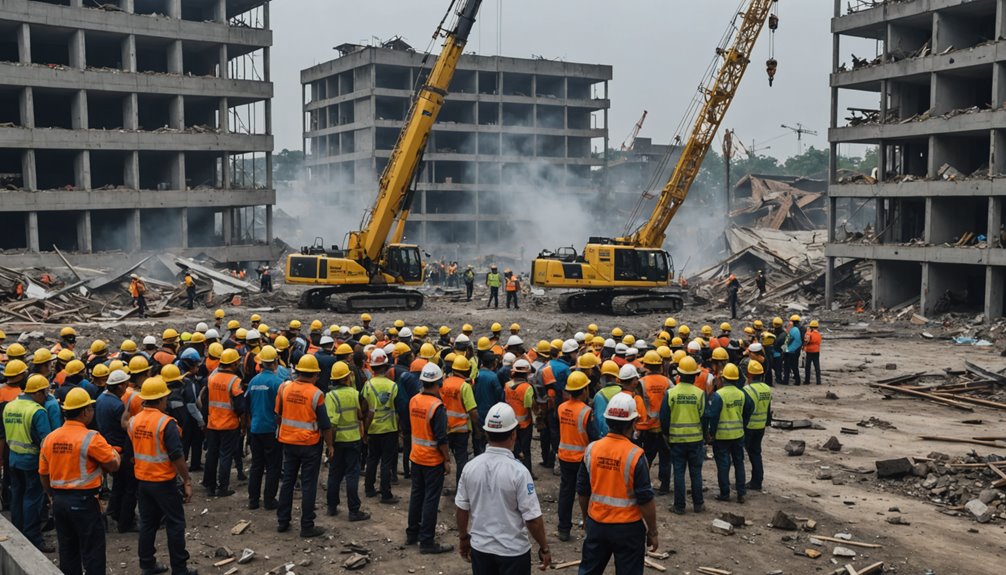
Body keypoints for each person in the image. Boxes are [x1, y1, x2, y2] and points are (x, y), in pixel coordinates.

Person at [456, 402, 551, 574]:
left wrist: (464, 538)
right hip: (513, 553)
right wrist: (544, 547)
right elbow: (533, 519)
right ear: (513, 434)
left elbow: (462, 508)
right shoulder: (519, 472)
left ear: (486, 433)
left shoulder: (470, 467)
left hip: (481, 550)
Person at [39, 387, 120, 575]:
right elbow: (114, 464)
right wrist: (115, 453)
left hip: (59, 501)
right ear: (85, 412)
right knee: (93, 552)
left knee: (68, 551)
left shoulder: (50, 438)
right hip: (84, 502)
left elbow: (43, 474)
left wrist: (52, 496)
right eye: (91, 409)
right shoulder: (91, 438)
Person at [576, 394, 659, 575]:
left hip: (597, 523)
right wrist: (652, 531)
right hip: (628, 528)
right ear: (634, 421)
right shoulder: (635, 454)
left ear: (607, 420)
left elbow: (582, 490)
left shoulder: (592, 449)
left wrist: (586, 518)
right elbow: (645, 499)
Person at [128, 377, 196, 575]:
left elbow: (132, 451)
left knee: (148, 524)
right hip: (163, 482)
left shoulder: (134, 421)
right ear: (159, 400)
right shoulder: (166, 423)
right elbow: (177, 456)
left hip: (143, 481)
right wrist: (187, 480)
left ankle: (147, 564)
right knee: (175, 524)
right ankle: (179, 568)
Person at [275, 355, 333, 538]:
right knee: (308, 485)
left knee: (287, 483)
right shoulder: (316, 394)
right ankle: (307, 525)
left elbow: (278, 414)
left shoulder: (284, 388)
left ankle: (283, 521)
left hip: (288, 442)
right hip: (309, 445)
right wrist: (330, 446)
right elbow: (325, 425)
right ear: (314, 374)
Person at [0, 374, 54, 551]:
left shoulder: (10, 406)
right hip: (31, 460)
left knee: (17, 495)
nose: (46, 396)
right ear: (37, 392)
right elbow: (45, 442)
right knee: (32, 498)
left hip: (13, 459)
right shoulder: (37, 411)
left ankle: (18, 531)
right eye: (45, 392)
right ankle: (33, 538)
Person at [406, 363, 453, 553]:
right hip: (432, 460)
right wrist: (447, 459)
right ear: (438, 382)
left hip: (416, 456)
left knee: (416, 495)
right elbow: (441, 438)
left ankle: (412, 533)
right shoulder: (437, 407)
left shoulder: (414, 400)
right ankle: (426, 541)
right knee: (431, 500)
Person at [556, 371, 599, 543]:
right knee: (586, 492)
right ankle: (590, 525)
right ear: (584, 390)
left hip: (564, 456)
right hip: (582, 458)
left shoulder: (561, 407)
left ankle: (563, 528)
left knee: (566, 492)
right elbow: (594, 436)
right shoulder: (586, 411)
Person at [660, 356, 706, 515]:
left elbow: (664, 418)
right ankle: (698, 504)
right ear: (695, 376)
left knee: (678, 472)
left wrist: (666, 435)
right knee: (696, 472)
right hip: (695, 439)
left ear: (679, 374)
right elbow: (703, 416)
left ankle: (679, 506)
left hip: (676, 439)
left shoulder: (671, 393)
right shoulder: (700, 394)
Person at [325, 361, 370, 521]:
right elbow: (360, 413)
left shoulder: (330, 397)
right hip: (353, 440)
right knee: (352, 474)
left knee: (334, 474)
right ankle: (353, 510)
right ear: (346, 378)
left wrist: (329, 445)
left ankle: (331, 506)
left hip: (338, 441)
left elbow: (331, 424)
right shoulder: (354, 393)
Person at [96, 369, 138, 533]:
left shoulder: (101, 399)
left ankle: (113, 511)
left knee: (119, 484)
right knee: (130, 486)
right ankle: (126, 521)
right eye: (125, 384)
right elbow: (125, 427)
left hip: (108, 448)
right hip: (120, 449)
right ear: (120, 386)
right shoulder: (117, 405)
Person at [705, 363, 753, 503]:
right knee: (739, 463)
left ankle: (724, 494)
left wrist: (711, 434)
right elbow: (748, 409)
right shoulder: (742, 393)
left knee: (723, 465)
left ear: (723, 378)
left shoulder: (719, 395)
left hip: (722, 436)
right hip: (738, 434)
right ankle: (741, 493)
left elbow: (713, 416)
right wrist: (743, 424)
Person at [201, 348, 245, 497]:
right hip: (229, 424)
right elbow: (240, 406)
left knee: (212, 454)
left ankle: (210, 485)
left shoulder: (212, 378)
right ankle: (223, 487)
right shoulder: (235, 381)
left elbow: (205, 400)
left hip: (213, 423)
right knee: (225, 455)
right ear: (233, 364)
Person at [246, 345, 283, 510]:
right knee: (273, 466)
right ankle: (269, 500)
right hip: (271, 430)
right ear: (275, 362)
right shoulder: (278, 383)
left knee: (256, 465)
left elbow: (247, 403)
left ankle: (253, 500)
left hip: (255, 428)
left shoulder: (253, 381)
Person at [362, 349, 400, 504]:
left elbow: (364, 407)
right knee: (386, 462)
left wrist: (364, 429)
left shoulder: (368, 385)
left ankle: (369, 489)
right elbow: (397, 408)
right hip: (389, 429)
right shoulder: (393, 386)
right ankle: (386, 494)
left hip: (373, 428)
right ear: (385, 367)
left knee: (372, 459)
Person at [441, 355, 482, 493]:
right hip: (461, 431)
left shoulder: (444, 383)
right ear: (466, 370)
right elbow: (473, 411)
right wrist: (478, 429)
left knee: (442, 460)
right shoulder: (465, 386)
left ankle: (439, 487)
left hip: (445, 429)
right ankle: (460, 490)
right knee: (461, 461)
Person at [639, 351, 671, 494]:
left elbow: (638, 403)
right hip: (664, 426)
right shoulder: (667, 382)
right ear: (659, 365)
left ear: (646, 365)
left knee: (647, 457)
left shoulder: (641, 382)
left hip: (648, 426)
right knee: (665, 457)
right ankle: (664, 486)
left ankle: (643, 483)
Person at [742, 360, 772, 492]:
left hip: (749, 426)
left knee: (742, 455)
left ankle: (745, 481)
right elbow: (768, 408)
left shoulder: (748, 390)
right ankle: (757, 480)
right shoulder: (767, 388)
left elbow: (744, 410)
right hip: (761, 426)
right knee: (756, 453)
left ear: (749, 374)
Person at [503, 359, 535, 474]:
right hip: (524, 424)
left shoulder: (507, 385)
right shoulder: (527, 387)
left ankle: (512, 471)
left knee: (513, 448)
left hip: (510, 422)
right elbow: (529, 406)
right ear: (526, 373)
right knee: (525, 450)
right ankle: (527, 473)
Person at [781, 315, 803, 386]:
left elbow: (787, 340)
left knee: (787, 366)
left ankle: (785, 380)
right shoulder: (800, 329)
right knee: (795, 366)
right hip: (796, 350)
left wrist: (784, 350)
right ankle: (797, 381)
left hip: (790, 351)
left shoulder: (792, 330)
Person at [803, 319, 822, 386]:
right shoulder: (819, 334)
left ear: (811, 326)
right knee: (817, 366)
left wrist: (804, 346)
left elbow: (806, 341)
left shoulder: (808, 333)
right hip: (817, 351)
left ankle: (807, 381)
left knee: (807, 366)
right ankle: (818, 381)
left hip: (809, 351)